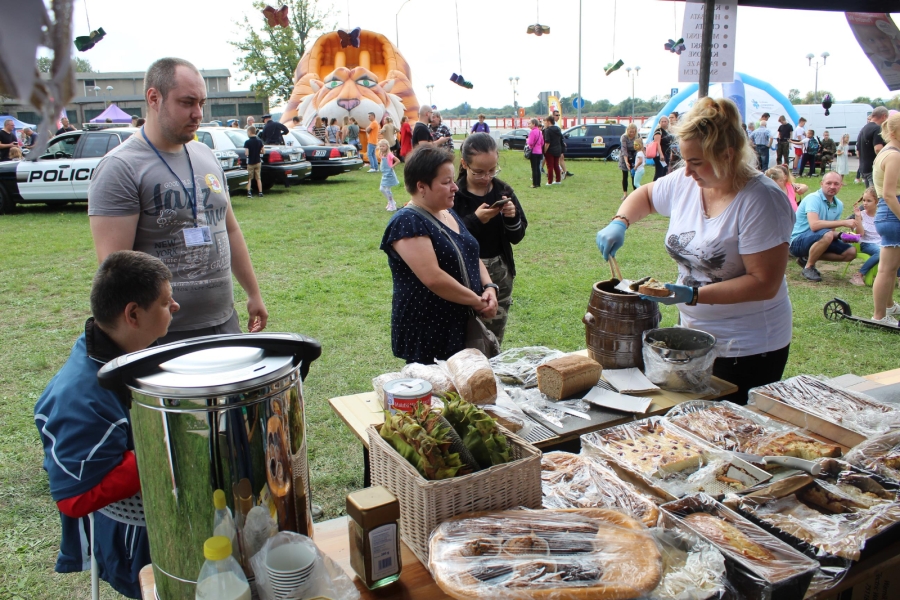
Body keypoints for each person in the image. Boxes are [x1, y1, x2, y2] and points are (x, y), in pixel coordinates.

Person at [595, 97, 795, 404]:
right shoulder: (687, 182)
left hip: (748, 347)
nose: (686, 171)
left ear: (727, 155)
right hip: (691, 336)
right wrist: (620, 221)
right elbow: (647, 196)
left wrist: (694, 295)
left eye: (696, 162)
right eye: (684, 160)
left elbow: (764, 282)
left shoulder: (762, 201)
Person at [88, 56, 268, 343]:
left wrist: (253, 293)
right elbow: (115, 270)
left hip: (223, 322)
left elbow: (229, 229)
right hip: (162, 336)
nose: (198, 113)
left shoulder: (205, 155)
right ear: (154, 98)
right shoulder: (120, 168)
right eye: (187, 102)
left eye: (201, 103)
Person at [34, 250, 180, 599]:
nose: (175, 306)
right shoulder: (82, 396)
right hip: (137, 539)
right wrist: (163, 448)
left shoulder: (113, 346)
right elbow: (74, 496)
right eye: (164, 301)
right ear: (133, 314)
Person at [380, 145, 498, 363]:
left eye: (453, 180)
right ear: (421, 186)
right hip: (431, 330)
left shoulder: (446, 211)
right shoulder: (407, 221)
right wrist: (477, 302)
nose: (455, 187)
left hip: (460, 323)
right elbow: (433, 278)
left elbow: (469, 252)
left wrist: (489, 286)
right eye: (446, 183)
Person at [453, 133, 527, 344]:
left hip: (500, 276)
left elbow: (517, 236)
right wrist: (476, 220)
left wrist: (512, 218)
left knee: (493, 338)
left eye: (492, 170)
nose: (486, 177)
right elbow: (448, 238)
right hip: (464, 276)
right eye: (479, 172)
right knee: (466, 338)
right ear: (464, 164)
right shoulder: (454, 195)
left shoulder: (503, 191)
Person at [789, 171, 857, 282]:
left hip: (820, 238)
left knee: (851, 253)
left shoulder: (838, 204)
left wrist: (842, 235)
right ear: (821, 184)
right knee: (827, 235)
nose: (832, 186)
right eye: (829, 183)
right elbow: (814, 225)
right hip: (797, 242)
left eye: (836, 184)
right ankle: (809, 267)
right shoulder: (813, 198)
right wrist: (844, 222)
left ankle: (805, 258)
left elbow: (830, 232)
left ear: (841, 185)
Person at [871, 112, 900, 324]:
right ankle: (879, 315)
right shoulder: (894, 155)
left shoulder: (889, 152)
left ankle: (889, 306)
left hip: (889, 213)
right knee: (887, 269)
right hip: (892, 214)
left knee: (891, 268)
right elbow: (889, 194)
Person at [851, 187, 900, 290]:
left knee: (897, 251)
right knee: (880, 252)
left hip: (881, 243)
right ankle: (859, 274)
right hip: (866, 244)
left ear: (877, 202)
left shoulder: (881, 215)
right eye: (864, 200)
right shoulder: (861, 215)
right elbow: (860, 233)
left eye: (869, 201)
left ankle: (898, 278)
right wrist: (858, 218)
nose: (865, 203)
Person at [860, 106, 889, 188]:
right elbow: (878, 148)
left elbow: (859, 149)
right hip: (874, 168)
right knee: (875, 196)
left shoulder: (864, 128)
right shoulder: (877, 128)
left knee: (870, 196)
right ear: (883, 116)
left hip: (864, 167)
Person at [618, 123, 640, 199]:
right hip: (624, 156)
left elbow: (638, 148)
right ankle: (625, 194)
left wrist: (638, 158)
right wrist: (626, 161)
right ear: (627, 131)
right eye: (630, 132)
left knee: (634, 175)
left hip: (634, 156)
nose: (632, 133)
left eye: (633, 132)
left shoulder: (638, 136)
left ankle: (635, 194)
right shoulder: (624, 137)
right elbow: (624, 149)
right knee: (625, 175)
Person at [377, 139, 400, 211]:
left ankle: (392, 205)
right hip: (384, 174)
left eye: (383, 146)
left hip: (389, 174)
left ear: (387, 146)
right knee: (381, 189)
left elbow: (398, 160)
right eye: (380, 146)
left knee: (387, 189)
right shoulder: (381, 154)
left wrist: (392, 166)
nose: (381, 147)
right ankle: (390, 201)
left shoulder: (389, 154)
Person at [244, 125, 265, 198]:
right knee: (258, 178)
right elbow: (263, 151)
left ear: (249, 132)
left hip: (250, 162)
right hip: (258, 161)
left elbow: (246, 153)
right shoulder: (259, 141)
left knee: (249, 178)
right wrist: (258, 152)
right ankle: (260, 192)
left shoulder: (247, 142)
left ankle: (249, 192)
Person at [542, 116, 564, 186]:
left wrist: (544, 150)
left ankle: (549, 181)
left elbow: (547, 142)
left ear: (548, 122)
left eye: (545, 122)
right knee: (556, 165)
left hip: (550, 150)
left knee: (550, 166)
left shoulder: (547, 130)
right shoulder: (558, 129)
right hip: (558, 149)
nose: (544, 123)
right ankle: (558, 180)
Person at [525, 118, 544, 189]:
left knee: (534, 168)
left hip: (534, 152)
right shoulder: (540, 132)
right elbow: (542, 143)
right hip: (539, 152)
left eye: (529, 123)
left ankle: (534, 184)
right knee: (538, 168)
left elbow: (530, 142)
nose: (528, 125)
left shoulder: (532, 132)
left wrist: (527, 141)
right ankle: (538, 183)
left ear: (534, 124)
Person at [653, 116, 672, 180]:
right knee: (659, 172)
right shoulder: (658, 131)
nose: (663, 123)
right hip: (660, 154)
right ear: (659, 122)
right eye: (662, 121)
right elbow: (657, 143)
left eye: (665, 121)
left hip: (666, 153)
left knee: (664, 171)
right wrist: (661, 154)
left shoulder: (667, 132)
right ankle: (654, 187)